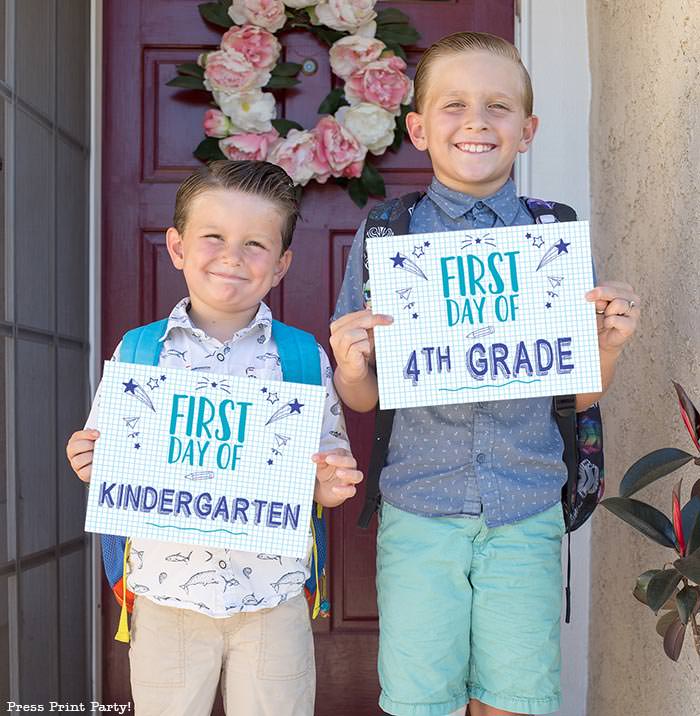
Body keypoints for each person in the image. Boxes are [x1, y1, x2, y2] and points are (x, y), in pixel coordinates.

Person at [329, 32, 640, 716]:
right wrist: (350, 363)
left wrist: (607, 348)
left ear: (526, 131)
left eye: (498, 107)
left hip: (524, 509)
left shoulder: (550, 238)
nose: (476, 121)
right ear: (416, 128)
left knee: (516, 699)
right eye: (454, 105)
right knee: (419, 701)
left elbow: (575, 390)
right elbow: (363, 395)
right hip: (419, 509)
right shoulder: (388, 236)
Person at [66, 160, 362, 716]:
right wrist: (89, 460)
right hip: (166, 597)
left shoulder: (301, 358)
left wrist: (331, 483)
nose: (232, 256)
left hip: (272, 601)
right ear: (176, 248)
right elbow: (109, 458)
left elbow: (325, 475)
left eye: (255, 244)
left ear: (281, 265)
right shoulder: (139, 351)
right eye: (214, 238)